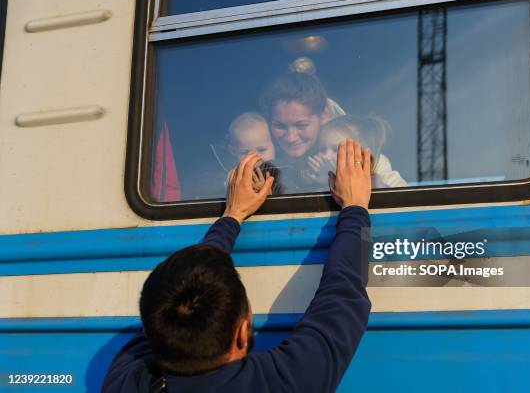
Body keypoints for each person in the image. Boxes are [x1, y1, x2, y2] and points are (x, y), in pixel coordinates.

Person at [102, 139, 373, 393]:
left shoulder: (125, 379)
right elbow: (343, 290)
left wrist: (232, 215)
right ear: (242, 335)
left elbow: (344, 294)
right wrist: (356, 205)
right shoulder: (283, 381)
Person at [259, 72, 338, 191]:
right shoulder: (254, 144)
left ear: (324, 116)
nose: (291, 138)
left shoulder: (344, 149)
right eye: (280, 126)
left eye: (301, 125)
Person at [304, 115, 408, 189]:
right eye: (322, 149)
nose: (326, 156)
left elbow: (402, 200)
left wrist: (333, 180)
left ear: (362, 154)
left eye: (336, 149)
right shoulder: (313, 175)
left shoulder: (383, 174)